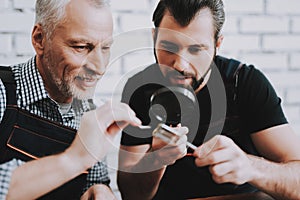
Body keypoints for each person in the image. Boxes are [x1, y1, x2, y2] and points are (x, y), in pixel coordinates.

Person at [117, 0, 300, 199]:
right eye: (168, 47)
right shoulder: (141, 88)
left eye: (195, 50)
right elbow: (131, 195)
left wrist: (251, 167)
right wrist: (155, 160)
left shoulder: (244, 82)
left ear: (217, 44)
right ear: (154, 38)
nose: (180, 64)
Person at [0, 0, 142, 199]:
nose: (99, 68)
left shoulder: (90, 113)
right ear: (39, 39)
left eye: (106, 48)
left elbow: (93, 183)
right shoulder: (2, 93)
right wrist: (74, 159)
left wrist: (98, 191)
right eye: (82, 47)